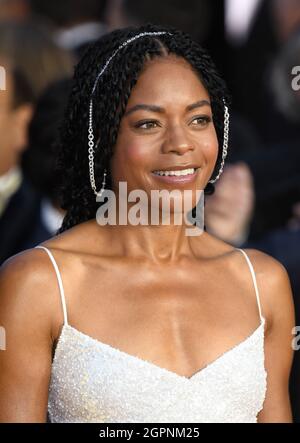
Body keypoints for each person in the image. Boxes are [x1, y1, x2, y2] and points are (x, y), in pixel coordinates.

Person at [0, 24, 295, 423]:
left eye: (198, 120)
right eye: (148, 124)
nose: (180, 143)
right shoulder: (39, 284)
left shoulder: (262, 283)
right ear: (103, 140)